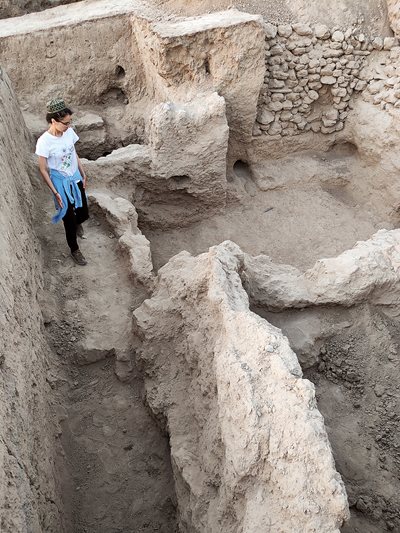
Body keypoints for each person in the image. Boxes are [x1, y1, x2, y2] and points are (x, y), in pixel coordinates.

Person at [36, 97, 89, 266]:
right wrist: (55, 192)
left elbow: (74, 153)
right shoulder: (44, 142)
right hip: (60, 181)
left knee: (83, 210)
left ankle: (79, 222)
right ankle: (75, 250)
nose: (68, 126)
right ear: (54, 121)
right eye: (65, 123)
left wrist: (82, 173)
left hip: (75, 176)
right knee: (68, 218)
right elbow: (43, 169)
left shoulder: (69, 133)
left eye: (69, 122)